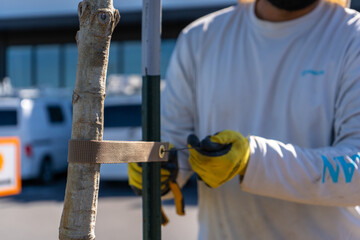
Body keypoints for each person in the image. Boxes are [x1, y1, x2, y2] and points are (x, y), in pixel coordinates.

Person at [130, 0, 360, 239]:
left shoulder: (352, 37)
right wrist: (158, 172)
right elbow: (175, 147)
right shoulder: (200, 38)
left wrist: (253, 160)